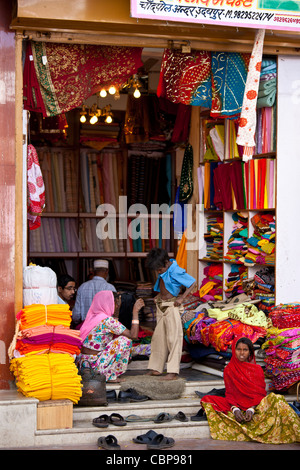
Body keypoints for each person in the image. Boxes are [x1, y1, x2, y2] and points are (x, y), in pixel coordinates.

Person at [197, 336, 300, 444]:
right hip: (237, 406)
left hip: (256, 406)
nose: (241, 353)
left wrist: (251, 410)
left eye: (245, 350)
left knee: (277, 399)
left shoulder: (257, 370)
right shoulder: (229, 370)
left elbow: (260, 394)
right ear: (234, 351)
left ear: (250, 352)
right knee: (207, 399)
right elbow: (230, 393)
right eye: (239, 349)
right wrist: (235, 410)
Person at [146, 247, 196, 380]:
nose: (158, 271)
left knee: (174, 339)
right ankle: (156, 368)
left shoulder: (175, 270)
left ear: (167, 262)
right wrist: (159, 295)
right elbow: (164, 284)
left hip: (172, 305)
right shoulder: (164, 268)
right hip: (161, 305)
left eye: (160, 269)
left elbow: (192, 282)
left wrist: (182, 298)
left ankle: (172, 372)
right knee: (158, 338)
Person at [76, 290, 144, 383]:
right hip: (95, 366)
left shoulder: (93, 317)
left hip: (84, 364)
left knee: (115, 340)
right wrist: (135, 312)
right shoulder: (107, 320)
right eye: (115, 303)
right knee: (124, 340)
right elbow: (133, 335)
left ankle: (103, 372)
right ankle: (109, 376)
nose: (117, 306)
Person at [72, 259, 116, 326]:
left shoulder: (82, 287)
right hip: (103, 328)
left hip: (85, 327)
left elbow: (76, 316)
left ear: (93, 271)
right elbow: (113, 313)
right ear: (107, 272)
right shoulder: (110, 288)